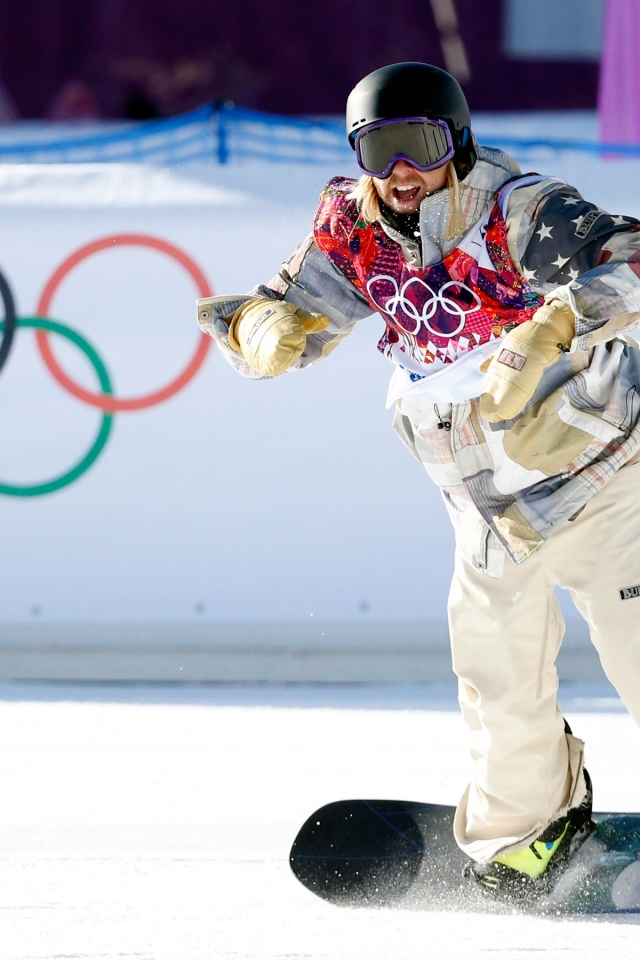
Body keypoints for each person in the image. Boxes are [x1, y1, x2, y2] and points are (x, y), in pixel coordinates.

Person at [196, 62, 640, 901]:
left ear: (459, 141)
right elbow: (293, 304)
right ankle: (529, 835)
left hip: (604, 477)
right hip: (489, 508)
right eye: (379, 150)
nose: (401, 172)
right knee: (495, 674)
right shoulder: (353, 223)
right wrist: (264, 327)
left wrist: (549, 325)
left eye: (420, 146)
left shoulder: (522, 213)